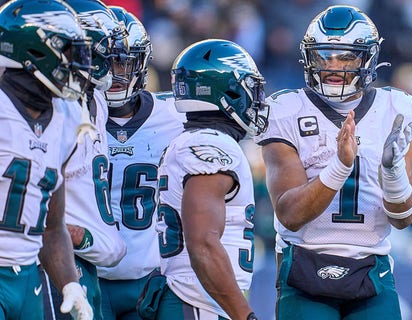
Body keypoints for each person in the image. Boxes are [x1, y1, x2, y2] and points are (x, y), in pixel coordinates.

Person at [255, 5, 412, 319]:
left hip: (372, 268)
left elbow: (403, 219)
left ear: (367, 58)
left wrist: (392, 171)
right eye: (324, 56)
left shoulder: (397, 109)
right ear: (309, 58)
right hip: (304, 266)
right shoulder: (285, 109)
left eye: (345, 56)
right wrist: (340, 166)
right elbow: (290, 214)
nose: (333, 65)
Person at [149, 39, 267, 320]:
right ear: (227, 91)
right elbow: (203, 243)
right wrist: (244, 315)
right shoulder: (212, 145)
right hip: (198, 303)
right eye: (249, 89)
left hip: (194, 299)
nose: (256, 100)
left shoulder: (193, 140)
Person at [0, 0, 95, 319]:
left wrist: (69, 284)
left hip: (28, 278)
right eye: (68, 53)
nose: (77, 65)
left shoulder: (67, 117)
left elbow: (52, 226)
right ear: (34, 52)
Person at [41, 1, 128, 319]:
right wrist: (63, 230)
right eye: (104, 48)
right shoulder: (52, 106)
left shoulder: (95, 102)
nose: (112, 58)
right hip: (57, 259)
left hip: (87, 261)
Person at [97, 6, 183, 320]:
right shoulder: (71, 114)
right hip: (87, 273)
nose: (115, 75)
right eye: (105, 64)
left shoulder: (175, 116)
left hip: (150, 277)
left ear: (142, 63)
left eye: (124, 63)